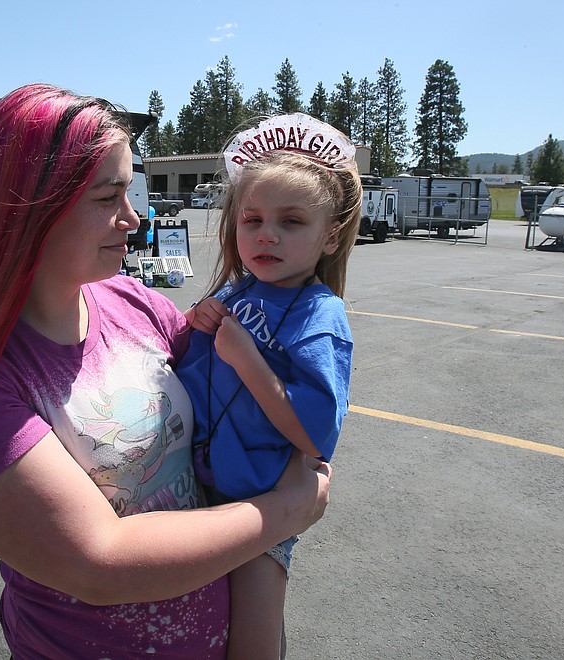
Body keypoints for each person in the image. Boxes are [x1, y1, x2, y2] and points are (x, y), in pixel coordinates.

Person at [0, 84, 331, 658]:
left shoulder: (135, 303)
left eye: (131, 191)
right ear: (30, 208)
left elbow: (237, 399)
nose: (134, 215)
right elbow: (101, 562)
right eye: (108, 196)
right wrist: (288, 510)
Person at [177, 114, 360, 659]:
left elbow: (315, 436)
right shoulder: (237, 293)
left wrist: (248, 359)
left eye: (292, 221)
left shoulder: (318, 315)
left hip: (259, 510)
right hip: (194, 492)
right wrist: (196, 323)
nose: (267, 234)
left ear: (330, 235)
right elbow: (189, 379)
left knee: (251, 643)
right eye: (252, 218)